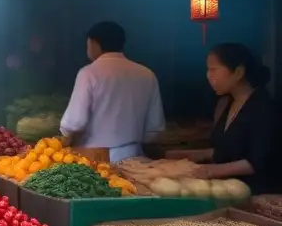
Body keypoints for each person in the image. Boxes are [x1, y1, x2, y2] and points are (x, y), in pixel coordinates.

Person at [168, 43, 278, 193]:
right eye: (208, 70)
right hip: (225, 191)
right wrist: (194, 155)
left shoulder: (262, 106)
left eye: (214, 69)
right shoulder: (229, 102)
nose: (208, 75)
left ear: (238, 72)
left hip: (254, 194)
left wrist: (209, 170)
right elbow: (228, 149)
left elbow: (257, 161)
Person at [60, 21, 164, 162]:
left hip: (97, 159)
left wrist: (64, 137)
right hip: (136, 158)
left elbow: (75, 123)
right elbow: (154, 129)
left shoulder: (89, 73)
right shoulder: (146, 74)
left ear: (94, 43)